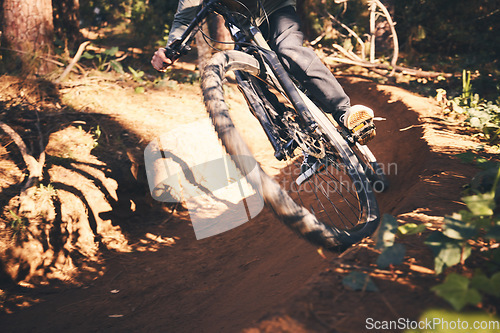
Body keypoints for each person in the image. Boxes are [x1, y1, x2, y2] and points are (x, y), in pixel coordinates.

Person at [151, 0, 375, 178]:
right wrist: (170, 49)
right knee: (244, 74)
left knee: (288, 49)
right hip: (242, 27)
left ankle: (344, 112)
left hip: (276, 10)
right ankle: (298, 138)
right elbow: (185, 16)